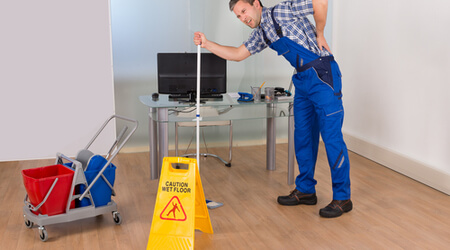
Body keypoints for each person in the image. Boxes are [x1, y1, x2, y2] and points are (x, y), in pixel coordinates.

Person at [194, 0, 352, 218]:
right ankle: (306, 190)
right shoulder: (262, 34)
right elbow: (238, 54)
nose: (243, 18)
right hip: (303, 81)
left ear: (256, 4)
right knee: (303, 137)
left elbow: (320, 2)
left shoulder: (282, 11)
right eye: (238, 16)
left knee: (332, 138)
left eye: (243, 11)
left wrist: (320, 33)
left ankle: (343, 198)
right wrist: (207, 43)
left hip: (323, 76)